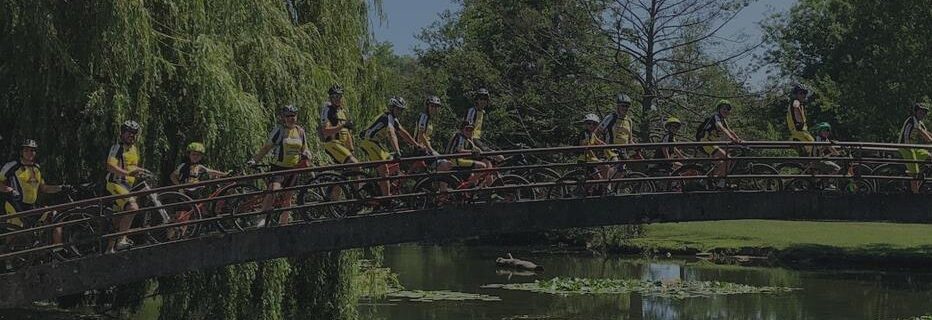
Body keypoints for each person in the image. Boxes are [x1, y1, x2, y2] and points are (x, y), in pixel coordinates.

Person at [248, 105, 313, 225]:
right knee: (273, 189)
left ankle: (284, 223)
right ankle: (262, 216)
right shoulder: (279, 130)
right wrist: (255, 160)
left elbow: (304, 147)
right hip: (279, 168)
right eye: (288, 116)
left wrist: (307, 153)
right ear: (283, 118)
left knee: (288, 198)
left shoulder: (300, 131)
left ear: (296, 117)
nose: (291, 118)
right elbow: (267, 147)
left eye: (293, 116)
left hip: (294, 169)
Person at [359, 97, 423, 197]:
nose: (400, 112)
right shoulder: (387, 117)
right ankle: (386, 199)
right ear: (392, 108)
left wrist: (416, 145)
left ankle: (379, 188)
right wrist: (397, 150)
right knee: (384, 169)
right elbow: (391, 134)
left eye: (401, 110)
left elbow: (404, 133)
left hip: (376, 143)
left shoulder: (393, 119)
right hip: (369, 142)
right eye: (398, 109)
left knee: (393, 164)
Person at [0, 139, 70, 227]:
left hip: (31, 206)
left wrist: (61, 187)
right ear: (21, 152)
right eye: (26, 150)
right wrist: (8, 189)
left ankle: (57, 241)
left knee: (54, 217)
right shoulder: (12, 166)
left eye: (32, 150)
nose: (29, 152)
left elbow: (44, 188)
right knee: (15, 234)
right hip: (14, 205)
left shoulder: (37, 168)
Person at [105, 120, 150, 252]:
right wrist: (128, 173)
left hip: (127, 185)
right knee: (132, 207)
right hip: (115, 183)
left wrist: (141, 171)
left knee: (118, 219)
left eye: (134, 133)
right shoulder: (117, 147)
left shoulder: (134, 149)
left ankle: (109, 249)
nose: (132, 135)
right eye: (129, 133)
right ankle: (121, 240)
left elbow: (132, 166)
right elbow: (110, 166)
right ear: (122, 133)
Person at [695, 100, 743, 189]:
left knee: (722, 162)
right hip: (705, 142)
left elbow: (729, 130)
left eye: (728, 109)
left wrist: (739, 139)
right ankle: (720, 184)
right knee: (727, 159)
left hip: (711, 143)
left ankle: (705, 181)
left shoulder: (723, 119)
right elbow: (721, 127)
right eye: (723, 108)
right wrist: (732, 139)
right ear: (718, 109)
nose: (726, 110)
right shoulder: (716, 117)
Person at [445, 121, 495, 189]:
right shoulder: (460, 136)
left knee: (477, 171)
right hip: (455, 160)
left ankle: (471, 184)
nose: (469, 131)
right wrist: (472, 151)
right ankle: (468, 187)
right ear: (462, 129)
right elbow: (459, 151)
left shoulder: (465, 138)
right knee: (482, 165)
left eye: (471, 129)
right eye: (467, 129)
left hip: (458, 159)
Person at [598, 93, 637, 178]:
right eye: (623, 106)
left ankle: (613, 189)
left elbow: (630, 139)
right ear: (618, 106)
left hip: (623, 150)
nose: (625, 108)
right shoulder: (611, 117)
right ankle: (607, 187)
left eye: (627, 106)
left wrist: (637, 148)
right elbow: (598, 130)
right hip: (610, 148)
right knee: (616, 164)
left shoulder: (629, 121)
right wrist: (599, 143)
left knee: (622, 171)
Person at [897, 103, 932, 193]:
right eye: (921, 112)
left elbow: (926, 132)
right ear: (915, 112)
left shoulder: (919, 122)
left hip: (913, 148)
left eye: (924, 113)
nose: (923, 115)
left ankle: (919, 177)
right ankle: (915, 194)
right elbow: (926, 137)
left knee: (929, 156)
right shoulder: (912, 121)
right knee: (914, 173)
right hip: (906, 147)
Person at [319, 85, 358, 164]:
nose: (337, 98)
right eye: (335, 96)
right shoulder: (328, 110)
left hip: (343, 146)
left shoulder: (342, 111)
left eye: (339, 96)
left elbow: (347, 133)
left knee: (355, 166)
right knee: (355, 164)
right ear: (330, 97)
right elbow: (325, 131)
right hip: (332, 144)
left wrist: (351, 149)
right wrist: (342, 125)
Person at [416, 96, 453, 173]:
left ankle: (435, 182)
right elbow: (421, 135)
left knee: (446, 164)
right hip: (421, 149)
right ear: (427, 106)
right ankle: (437, 183)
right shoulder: (424, 116)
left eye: (436, 107)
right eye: (432, 106)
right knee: (445, 164)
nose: (434, 109)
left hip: (425, 149)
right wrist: (431, 150)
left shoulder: (429, 118)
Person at [578, 114, 612, 181]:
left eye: (594, 124)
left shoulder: (592, 134)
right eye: (589, 123)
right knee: (606, 167)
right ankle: (605, 188)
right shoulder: (585, 134)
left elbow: (600, 142)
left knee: (598, 177)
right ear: (585, 124)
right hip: (584, 159)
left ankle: (595, 189)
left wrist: (610, 148)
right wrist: (595, 158)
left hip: (590, 159)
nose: (592, 125)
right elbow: (586, 148)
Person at [787, 84, 814, 156]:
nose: (803, 95)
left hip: (803, 133)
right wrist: (797, 106)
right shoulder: (796, 102)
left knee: (815, 149)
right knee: (814, 148)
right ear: (796, 94)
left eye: (805, 93)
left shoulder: (801, 105)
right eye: (801, 93)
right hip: (798, 134)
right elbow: (795, 104)